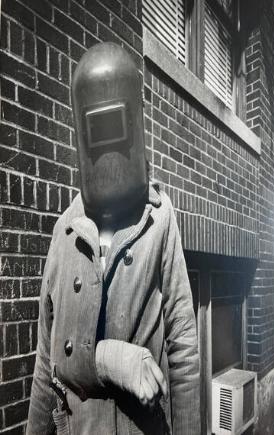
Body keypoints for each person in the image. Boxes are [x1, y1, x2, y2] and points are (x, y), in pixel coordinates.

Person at [26, 42, 200, 435]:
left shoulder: (159, 219)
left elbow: (184, 350)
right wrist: (112, 359)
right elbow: (46, 362)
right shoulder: (65, 231)